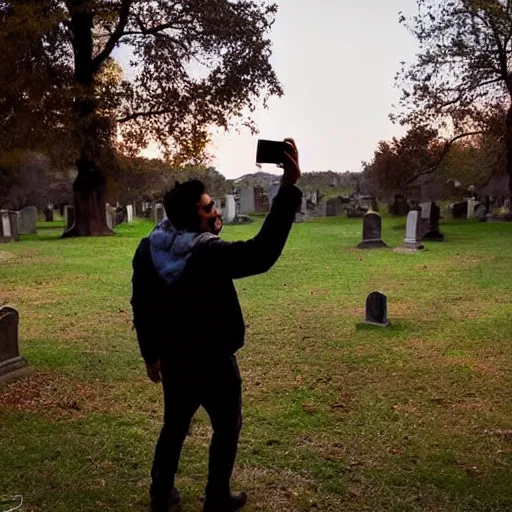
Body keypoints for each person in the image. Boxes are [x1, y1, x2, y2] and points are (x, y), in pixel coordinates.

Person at [131, 139, 302, 512]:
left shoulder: (149, 248)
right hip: (213, 361)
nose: (214, 213)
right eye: (209, 208)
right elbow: (261, 253)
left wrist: (150, 355)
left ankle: (161, 495)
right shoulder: (208, 253)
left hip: (174, 359)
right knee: (227, 426)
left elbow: (141, 306)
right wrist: (287, 188)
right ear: (195, 217)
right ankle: (217, 497)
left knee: (174, 426)